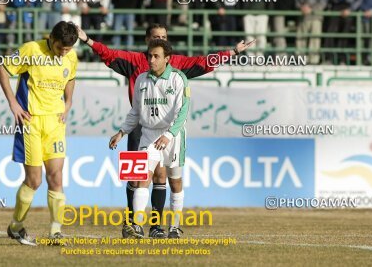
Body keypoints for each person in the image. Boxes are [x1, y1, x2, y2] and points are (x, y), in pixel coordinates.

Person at [77, 23, 254, 238]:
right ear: (147, 41)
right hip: (140, 127)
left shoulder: (177, 66)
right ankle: (132, 223)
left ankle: (156, 226)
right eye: (156, 37)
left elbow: (203, 63)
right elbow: (108, 54)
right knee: (136, 177)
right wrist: (87, 41)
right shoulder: (135, 62)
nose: (160, 40)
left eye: (164, 37)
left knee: (161, 175)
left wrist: (231, 52)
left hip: (168, 131)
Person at [0, 21, 79, 246]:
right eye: (61, 47)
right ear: (51, 38)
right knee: (34, 181)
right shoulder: (32, 49)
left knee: (57, 176)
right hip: (31, 122)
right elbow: (2, 68)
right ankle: (15, 226)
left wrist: (68, 102)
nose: (64, 53)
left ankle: (55, 231)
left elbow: (70, 78)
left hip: (55, 124)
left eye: (68, 49)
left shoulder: (71, 56)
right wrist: (13, 103)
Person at [109, 39, 189, 239]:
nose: (151, 60)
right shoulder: (142, 80)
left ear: (167, 59)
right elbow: (136, 112)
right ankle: (136, 225)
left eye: (156, 56)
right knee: (142, 177)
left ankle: (174, 227)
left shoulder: (178, 79)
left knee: (175, 181)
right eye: (149, 56)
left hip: (173, 134)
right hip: (149, 135)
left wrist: (169, 135)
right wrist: (122, 132)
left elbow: (183, 112)